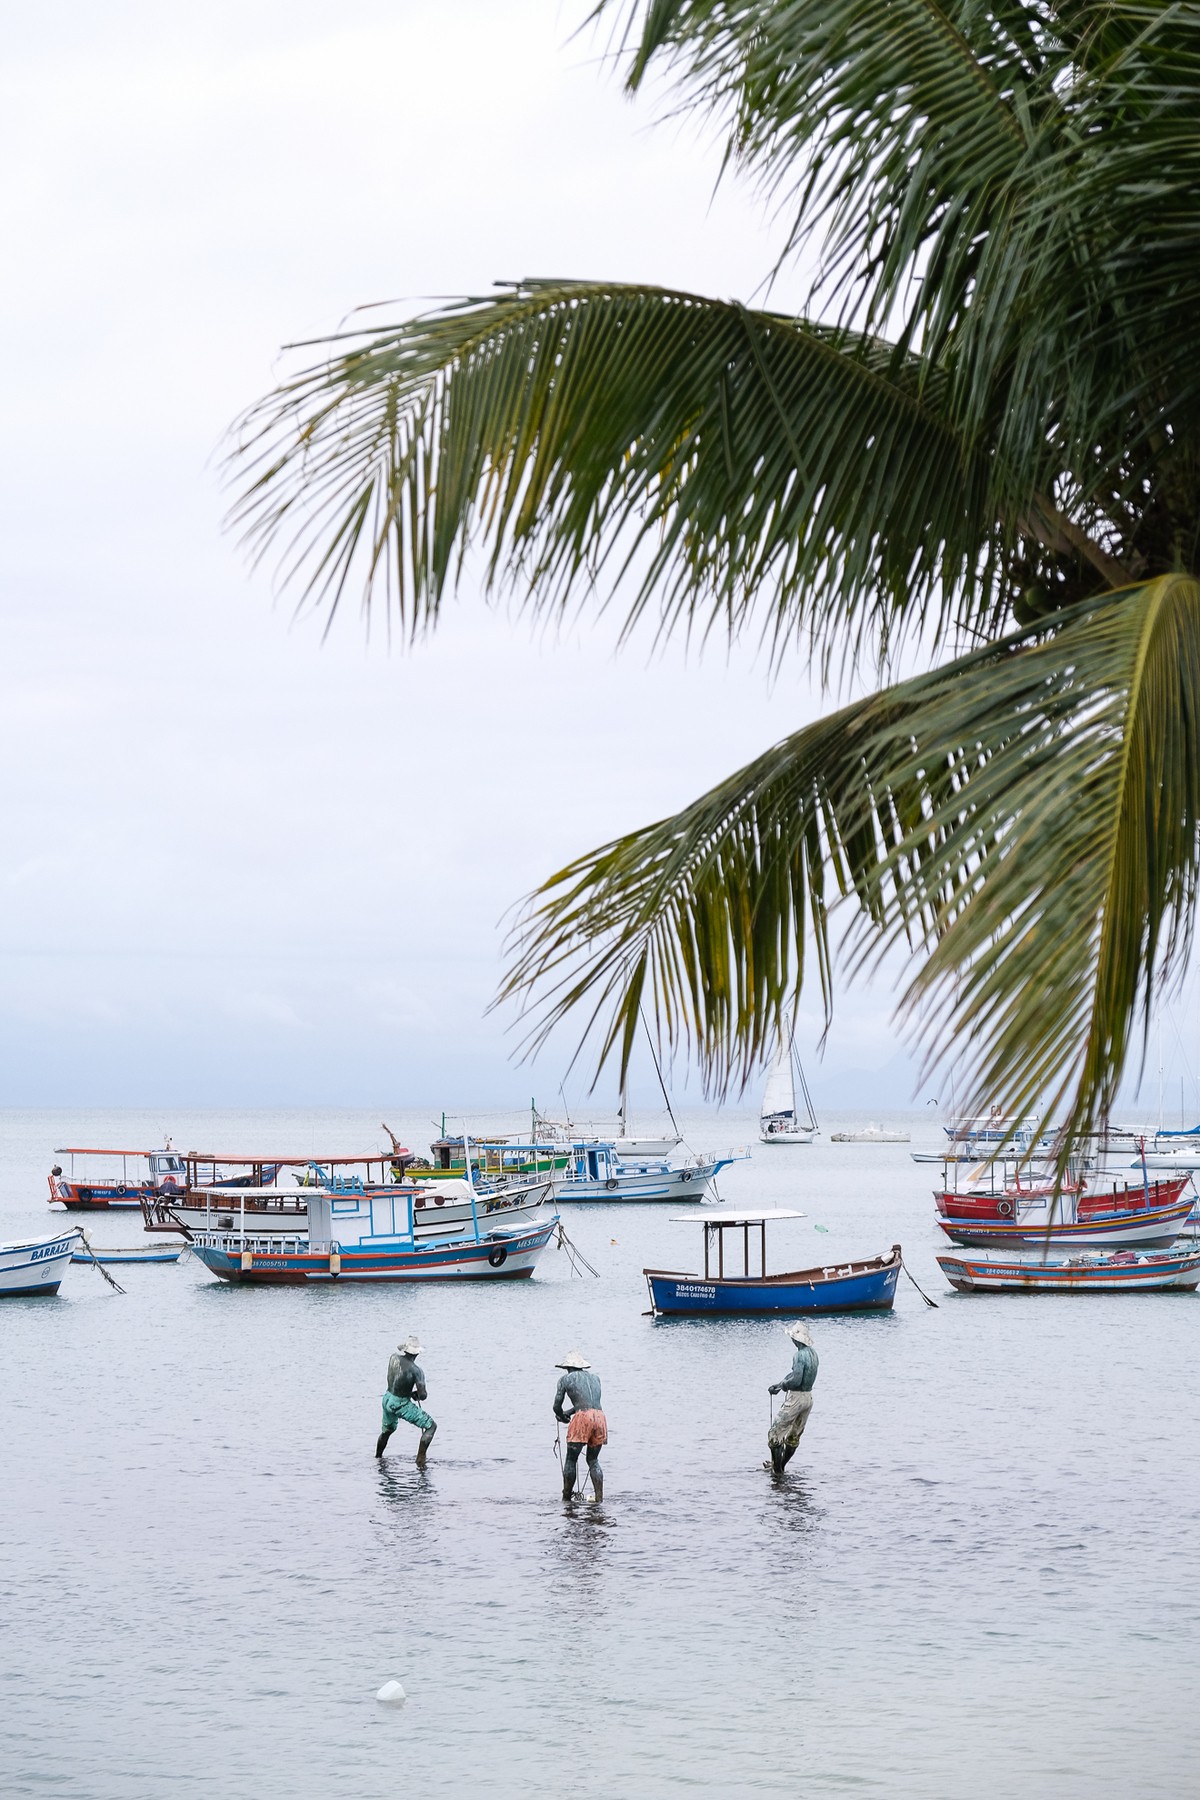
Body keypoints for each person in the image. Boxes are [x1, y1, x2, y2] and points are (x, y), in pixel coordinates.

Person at [553, 1350, 606, 1501]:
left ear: (567, 1367)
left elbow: (556, 1406)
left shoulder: (565, 1379)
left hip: (582, 1419)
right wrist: (569, 1413)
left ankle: (566, 1498)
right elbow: (587, 1405)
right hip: (600, 1417)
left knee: (571, 1459)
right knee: (593, 1460)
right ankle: (599, 1499)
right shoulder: (596, 1378)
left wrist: (561, 1415)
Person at [376, 1335, 437, 1464]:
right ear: (417, 1353)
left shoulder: (393, 1358)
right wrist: (416, 1394)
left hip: (387, 1398)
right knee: (431, 1426)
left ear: (405, 1350)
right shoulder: (416, 1371)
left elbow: (398, 1381)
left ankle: (378, 1458)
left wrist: (410, 1393)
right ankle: (420, 1462)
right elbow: (423, 1395)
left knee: (387, 1431)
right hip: (400, 1404)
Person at [767, 1320, 818, 1474]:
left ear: (796, 1338)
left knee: (774, 1434)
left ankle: (777, 1470)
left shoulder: (799, 1355)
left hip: (796, 1399)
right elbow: (797, 1375)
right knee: (794, 1436)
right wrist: (780, 1383)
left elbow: (796, 1379)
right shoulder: (813, 1354)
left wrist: (782, 1386)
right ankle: (781, 1466)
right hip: (808, 1397)